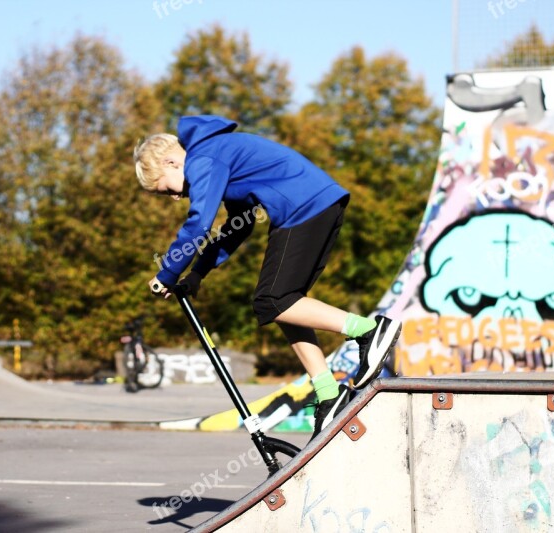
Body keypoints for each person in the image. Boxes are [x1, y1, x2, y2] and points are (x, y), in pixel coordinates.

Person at [133, 115, 401, 439]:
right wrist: (196, 274)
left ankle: (370, 331)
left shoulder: (204, 156)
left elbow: (199, 223)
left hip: (304, 207)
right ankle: (328, 393)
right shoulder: (219, 154)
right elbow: (237, 227)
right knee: (283, 304)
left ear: (172, 161)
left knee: (271, 299)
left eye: (167, 190)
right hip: (316, 203)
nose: (176, 197)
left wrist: (167, 271)